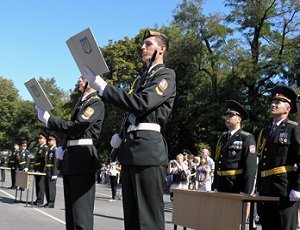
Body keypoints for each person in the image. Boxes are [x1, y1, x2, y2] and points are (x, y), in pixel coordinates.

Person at [85, 29, 176, 230]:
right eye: (143, 44)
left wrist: (103, 87)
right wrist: (121, 134)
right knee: (132, 219)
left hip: (148, 150)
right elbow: (131, 113)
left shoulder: (166, 75)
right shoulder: (140, 79)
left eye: (148, 44)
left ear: (161, 49)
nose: (142, 47)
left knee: (148, 220)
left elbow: (142, 103)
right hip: (131, 149)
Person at [36, 76, 105, 230]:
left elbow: (77, 127)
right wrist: (64, 146)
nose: (79, 80)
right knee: (71, 215)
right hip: (73, 157)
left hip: (83, 158)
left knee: (81, 216)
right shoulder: (82, 102)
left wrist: (49, 119)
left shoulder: (96, 102)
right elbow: (72, 130)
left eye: (83, 77)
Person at [256, 85, 300, 230]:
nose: (273, 104)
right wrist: (258, 186)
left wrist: (297, 187)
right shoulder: (265, 131)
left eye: (278, 102)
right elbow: (262, 160)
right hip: (266, 188)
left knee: (285, 226)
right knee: (268, 225)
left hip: (284, 189)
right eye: (272, 102)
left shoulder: (293, 128)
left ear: (287, 108)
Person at [214, 100, 257, 194]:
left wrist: (246, 190)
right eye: (226, 116)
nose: (227, 118)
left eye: (230, 116)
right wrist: (215, 186)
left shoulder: (246, 138)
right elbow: (218, 162)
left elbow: (250, 167)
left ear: (239, 119)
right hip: (221, 184)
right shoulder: (223, 138)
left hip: (236, 185)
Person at [44, 132, 60, 208]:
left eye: (50, 140)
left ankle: (51, 202)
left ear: (55, 141)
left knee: (51, 188)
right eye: (48, 140)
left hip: (52, 171)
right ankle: (48, 201)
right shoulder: (49, 150)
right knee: (47, 187)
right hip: (47, 170)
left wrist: (55, 173)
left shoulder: (55, 150)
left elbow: (55, 162)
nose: (48, 141)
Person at [33, 131, 48, 206]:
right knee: (37, 184)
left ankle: (40, 200)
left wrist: (43, 170)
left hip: (41, 169)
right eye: (39, 138)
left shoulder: (45, 148)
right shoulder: (39, 148)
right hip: (37, 169)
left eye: (41, 138)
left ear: (45, 139)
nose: (39, 140)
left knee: (40, 185)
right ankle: (38, 198)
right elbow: (37, 160)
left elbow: (45, 160)